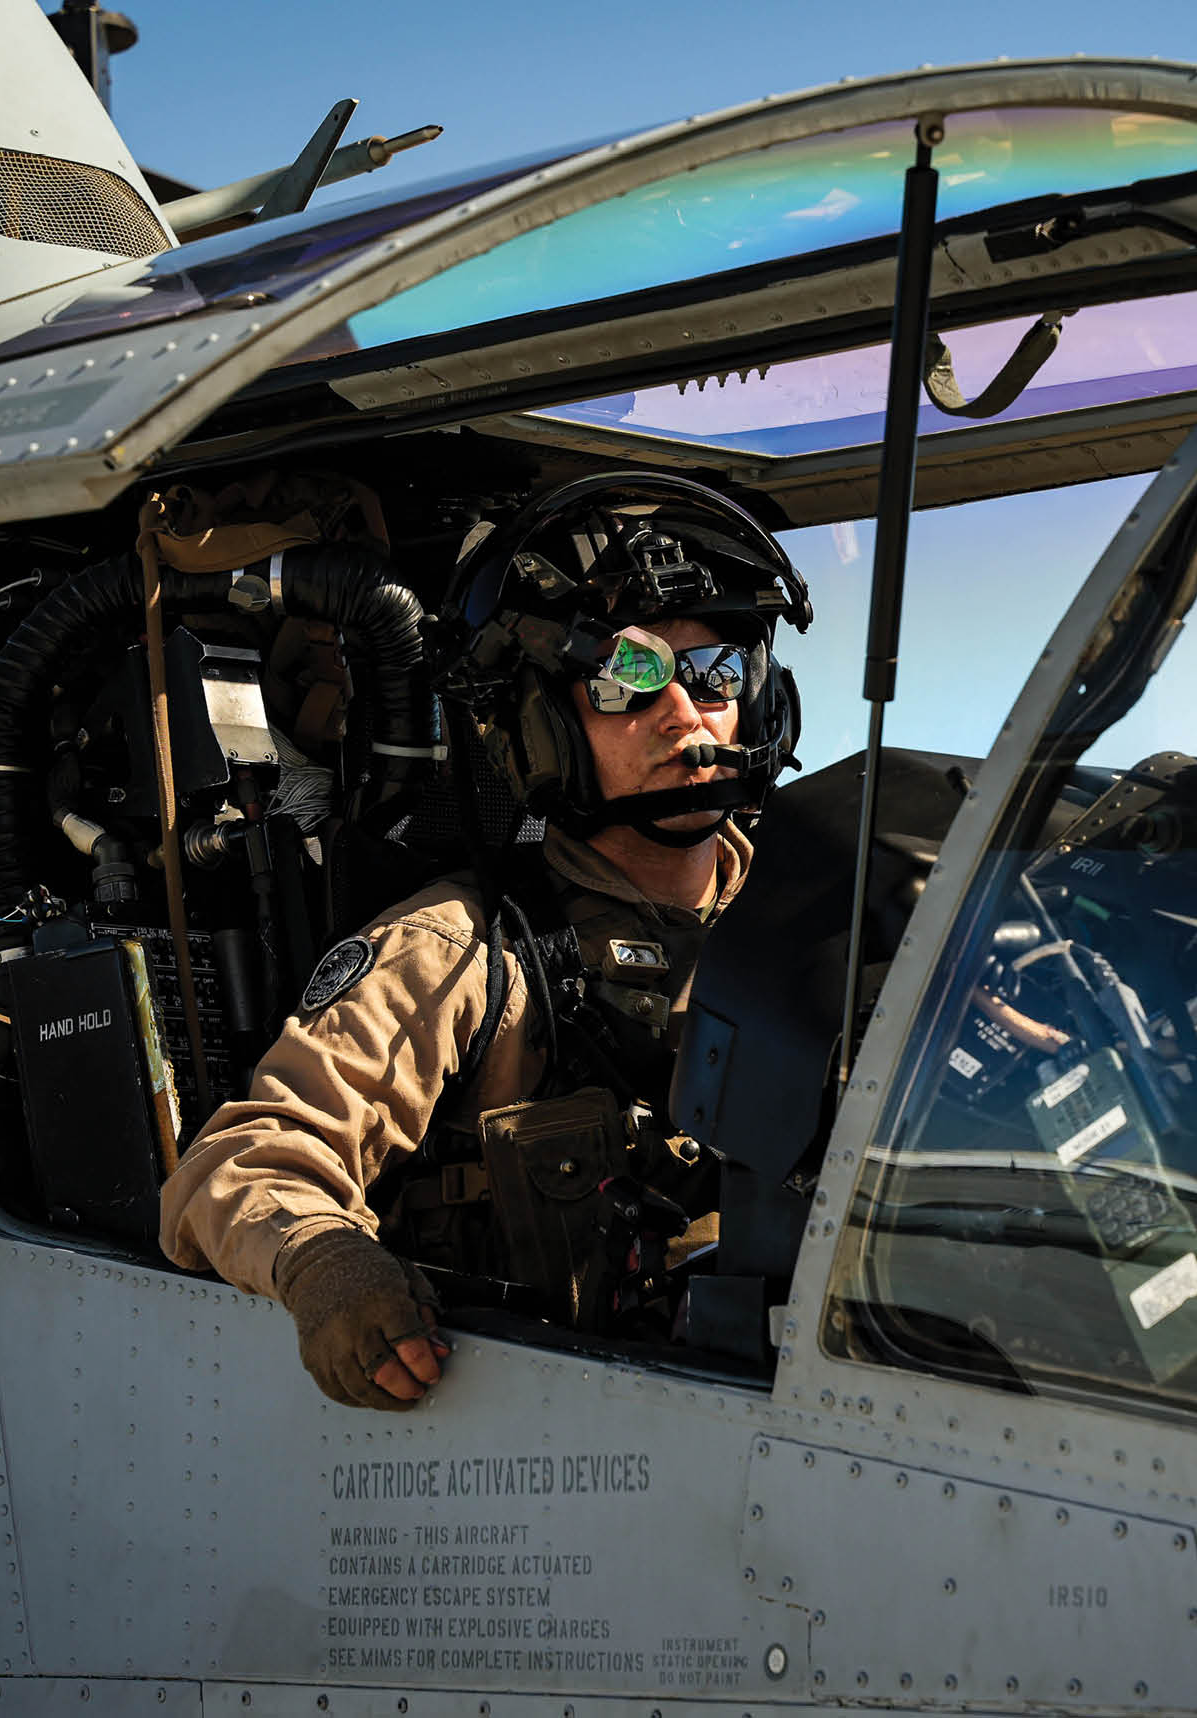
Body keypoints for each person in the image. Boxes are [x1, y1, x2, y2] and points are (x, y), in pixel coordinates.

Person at [158, 474, 810, 1410]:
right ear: (543, 723)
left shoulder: (832, 922)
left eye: (712, 676)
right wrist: (327, 1264)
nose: (684, 715)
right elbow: (240, 1163)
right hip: (576, 1418)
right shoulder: (465, 949)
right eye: (625, 679)